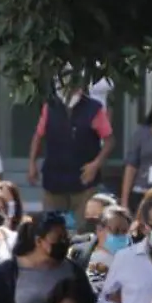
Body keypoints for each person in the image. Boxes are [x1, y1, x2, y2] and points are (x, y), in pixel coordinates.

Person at [27, 80, 114, 217]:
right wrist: (32, 163)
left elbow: (109, 140)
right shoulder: (50, 107)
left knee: (83, 228)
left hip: (84, 181)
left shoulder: (94, 109)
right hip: (54, 180)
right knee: (51, 226)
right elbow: (38, 136)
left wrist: (96, 165)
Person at [0, 213, 75, 303]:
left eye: (66, 237)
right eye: (59, 238)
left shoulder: (72, 269)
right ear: (39, 241)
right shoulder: (7, 273)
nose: (64, 242)